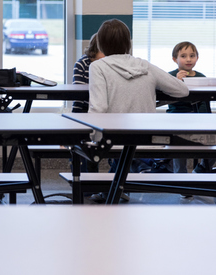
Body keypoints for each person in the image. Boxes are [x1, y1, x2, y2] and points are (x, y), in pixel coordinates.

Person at [88, 19, 189, 202]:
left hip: (115, 139)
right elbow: (182, 90)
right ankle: (127, 177)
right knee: (125, 149)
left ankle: (114, 187)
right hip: (148, 138)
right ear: (128, 43)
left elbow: (99, 107)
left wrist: (92, 138)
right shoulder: (144, 65)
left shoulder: (98, 67)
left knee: (100, 145)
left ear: (101, 44)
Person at [150, 41, 213, 175]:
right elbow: (165, 99)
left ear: (197, 58)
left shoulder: (201, 77)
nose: (189, 59)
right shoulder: (169, 76)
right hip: (176, 120)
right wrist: (176, 82)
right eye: (183, 56)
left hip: (198, 121)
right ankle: (181, 181)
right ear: (175, 59)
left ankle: (201, 169)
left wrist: (202, 120)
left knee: (211, 145)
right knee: (179, 150)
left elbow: (204, 103)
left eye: (192, 55)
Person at [71, 33, 103, 173]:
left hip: (104, 111)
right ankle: (85, 184)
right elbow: (80, 94)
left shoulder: (108, 65)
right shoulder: (82, 64)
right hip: (83, 110)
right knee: (84, 151)